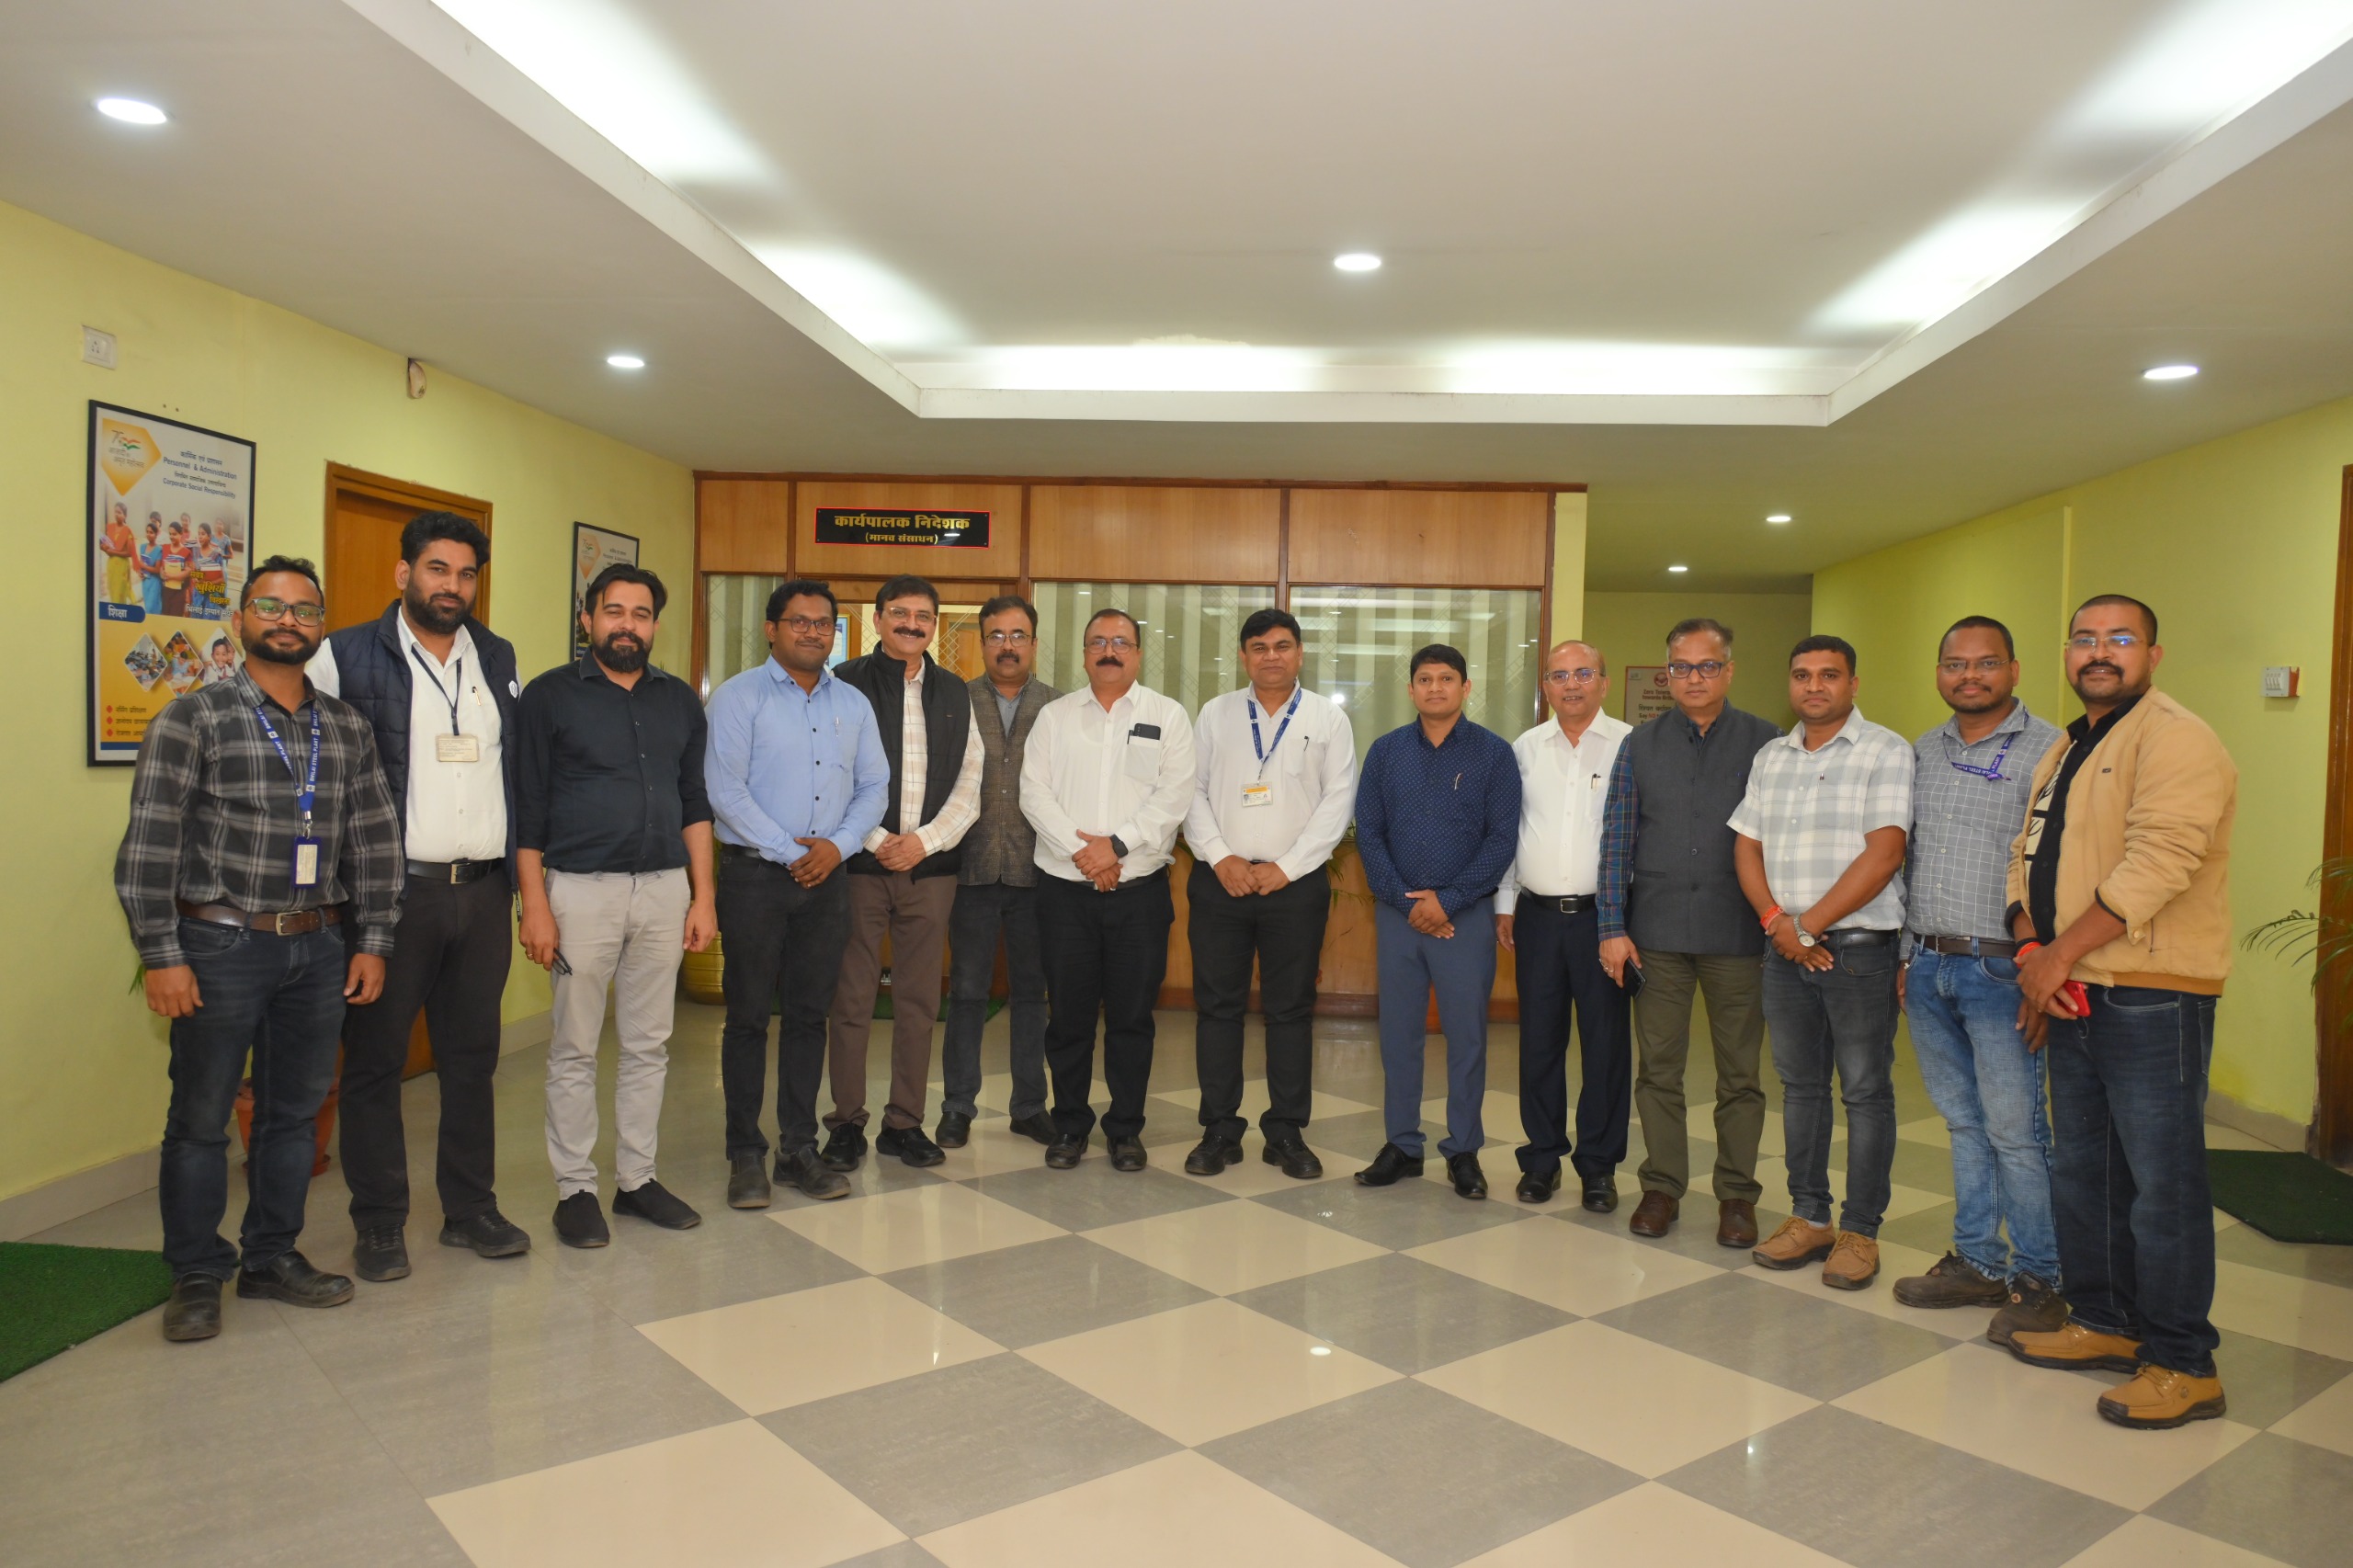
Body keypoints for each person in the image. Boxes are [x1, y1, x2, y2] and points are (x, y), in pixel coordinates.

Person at [115, 556, 403, 1342]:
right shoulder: (193, 719)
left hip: (318, 946)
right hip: (219, 945)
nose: (288, 621)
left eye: (305, 611)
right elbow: (149, 848)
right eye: (271, 607)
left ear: (321, 627)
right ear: (240, 618)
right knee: (202, 1118)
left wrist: (373, 940)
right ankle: (196, 1273)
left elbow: (374, 843)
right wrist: (162, 954)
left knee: (293, 1116)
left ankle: (271, 1257)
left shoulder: (346, 728)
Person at [2001, 596, 2238, 1430]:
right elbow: (2027, 857)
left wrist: (2057, 955)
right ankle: (2105, 1321)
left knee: (2161, 1187)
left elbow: (2160, 863)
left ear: (2153, 655)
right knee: (2088, 1173)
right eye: (2085, 639)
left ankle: (2183, 1362)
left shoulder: (2176, 738)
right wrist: (2033, 952)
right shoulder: (2069, 744)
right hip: (2074, 987)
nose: (2100, 652)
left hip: (2151, 993)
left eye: (2121, 639)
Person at [311, 511, 530, 1281]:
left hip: (482, 892)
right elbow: (316, 773)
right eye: (438, 569)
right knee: (375, 1063)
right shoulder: (343, 656)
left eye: (466, 574)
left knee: (471, 1060)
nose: (452, 586)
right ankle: (378, 1223)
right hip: (392, 895)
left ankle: (470, 1209)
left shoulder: (496, 656)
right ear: (404, 573)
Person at [517, 562, 716, 1246]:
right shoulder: (549, 697)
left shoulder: (679, 700)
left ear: (654, 625)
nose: (627, 625)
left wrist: (703, 897)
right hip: (580, 891)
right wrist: (535, 904)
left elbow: (695, 803)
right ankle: (574, 1190)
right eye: (613, 611)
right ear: (588, 619)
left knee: (648, 1045)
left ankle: (637, 1180)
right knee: (574, 1047)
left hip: (664, 889)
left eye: (640, 614)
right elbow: (527, 808)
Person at [1892, 617, 2064, 1327]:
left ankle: (2042, 1275)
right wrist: (1906, 956)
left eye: (1986, 663)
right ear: (1939, 673)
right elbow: (1908, 856)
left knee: (2016, 1130)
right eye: (1955, 664)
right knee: (1964, 1123)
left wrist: (2044, 970)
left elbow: (2059, 866)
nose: (1970, 676)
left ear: (2014, 670)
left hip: (2004, 969)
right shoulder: (1921, 751)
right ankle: (1978, 1261)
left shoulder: (2051, 749)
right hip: (1929, 962)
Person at [1732, 634, 1913, 1290]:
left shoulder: (1885, 751)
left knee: (1864, 1091)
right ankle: (1810, 1216)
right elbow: (1747, 847)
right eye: (1803, 674)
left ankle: (1860, 1231)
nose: (1815, 686)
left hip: (1856, 953)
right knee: (1801, 1088)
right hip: (1785, 952)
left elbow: (1884, 854)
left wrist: (1807, 926)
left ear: (1852, 684)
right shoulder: (1771, 756)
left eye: (1829, 675)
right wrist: (1777, 925)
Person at [1597, 619, 1781, 1245]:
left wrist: (1780, 922)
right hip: (1657, 934)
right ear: (1667, 674)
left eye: (1707, 666)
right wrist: (1611, 925)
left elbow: (1780, 840)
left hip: (1740, 932)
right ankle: (1661, 1186)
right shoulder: (1640, 744)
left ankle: (1737, 1196)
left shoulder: (1767, 742)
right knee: (1658, 1069)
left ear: (1729, 671)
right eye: (1681, 667)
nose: (1693, 677)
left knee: (1741, 1075)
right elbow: (1617, 839)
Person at [705, 580, 889, 1207]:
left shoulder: (853, 704)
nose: (812, 632)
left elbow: (874, 786)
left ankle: (797, 1150)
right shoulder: (738, 698)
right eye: (799, 621)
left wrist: (838, 847)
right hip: (755, 879)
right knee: (748, 1018)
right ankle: (744, 1154)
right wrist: (793, 852)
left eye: (822, 623)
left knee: (810, 1017)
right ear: (771, 629)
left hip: (828, 880)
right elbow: (725, 792)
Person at [1181, 608, 1358, 1179]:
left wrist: (1288, 866)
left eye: (1282, 646)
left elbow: (1338, 801)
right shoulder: (1216, 714)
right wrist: (1220, 856)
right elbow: (1190, 791)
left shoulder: (1327, 719)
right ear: (1243, 657)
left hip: (1295, 887)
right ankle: (1219, 1131)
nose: (1271, 656)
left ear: (1300, 654)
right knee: (1217, 1008)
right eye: (1259, 647)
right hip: (1221, 883)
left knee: (1290, 1011)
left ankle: (1285, 1133)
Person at [820, 576, 985, 1173]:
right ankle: (846, 1123)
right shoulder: (843, 685)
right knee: (852, 998)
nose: (912, 624)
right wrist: (876, 840)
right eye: (900, 613)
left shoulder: (956, 692)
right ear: (877, 620)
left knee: (918, 1001)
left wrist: (922, 844)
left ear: (934, 626)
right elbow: (830, 775)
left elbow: (971, 782)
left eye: (923, 616)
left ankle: (904, 1123)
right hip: (858, 866)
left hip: (931, 871)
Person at [1020, 608, 1196, 1171]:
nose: (1109, 651)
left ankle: (1125, 1130)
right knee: (1068, 1018)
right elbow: (1034, 794)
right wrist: (1086, 854)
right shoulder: (1054, 717)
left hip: (1139, 893)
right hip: (1064, 891)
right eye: (1098, 642)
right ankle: (1070, 1126)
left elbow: (1174, 797)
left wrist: (1115, 848)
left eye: (1121, 642)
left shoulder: (1167, 716)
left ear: (1138, 654)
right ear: (1084, 654)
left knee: (1131, 1019)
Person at [1352, 643, 1520, 1199]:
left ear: (1465, 687)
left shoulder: (1494, 754)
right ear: (1411, 690)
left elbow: (1502, 838)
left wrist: (1448, 901)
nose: (1435, 688)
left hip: (1464, 917)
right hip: (1398, 916)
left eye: (1446, 679)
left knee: (1466, 1037)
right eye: (1424, 679)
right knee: (1398, 1035)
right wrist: (1410, 904)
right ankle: (1402, 1145)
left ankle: (1463, 1150)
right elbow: (1369, 831)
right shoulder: (1386, 752)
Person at [1496, 640, 1632, 1209]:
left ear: (1603, 682)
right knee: (1540, 1043)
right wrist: (1505, 903)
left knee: (1605, 1047)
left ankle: (1598, 1167)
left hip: (1605, 921)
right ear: (1546, 687)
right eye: (1559, 675)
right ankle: (1541, 1159)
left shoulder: (1631, 745)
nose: (1571, 684)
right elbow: (1509, 830)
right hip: (1537, 919)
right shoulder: (1524, 749)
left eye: (1582, 673)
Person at [938, 595, 1061, 1149]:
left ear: (1034, 643)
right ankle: (957, 1105)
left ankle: (1029, 1106)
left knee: (1033, 994)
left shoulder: (1059, 709)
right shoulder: (954, 703)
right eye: (996, 636)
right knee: (966, 992)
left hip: (1041, 873)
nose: (1007, 646)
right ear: (982, 642)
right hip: (971, 870)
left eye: (1018, 636)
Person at [101, 501, 137, 604]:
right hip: (111, 565)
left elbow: (129, 553)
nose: (117, 514)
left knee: (121, 591)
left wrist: (114, 553)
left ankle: (123, 611)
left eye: (120, 512)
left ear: (125, 516)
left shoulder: (127, 530)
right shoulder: (110, 528)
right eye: (115, 512)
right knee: (113, 590)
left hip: (122, 567)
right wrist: (104, 549)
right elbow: (107, 547)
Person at [159, 520, 192, 618]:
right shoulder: (165, 548)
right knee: (165, 617)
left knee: (175, 618)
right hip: (166, 590)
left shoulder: (186, 552)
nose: (171, 536)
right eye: (170, 534)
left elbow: (188, 572)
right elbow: (161, 567)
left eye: (174, 534)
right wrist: (162, 573)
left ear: (181, 534)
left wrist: (171, 576)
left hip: (179, 592)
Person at [137, 516, 166, 615]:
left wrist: (143, 566)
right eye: (147, 532)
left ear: (156, 534)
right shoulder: (142, 547)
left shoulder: (159, 549)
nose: (149, 534)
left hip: (155, 582)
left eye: (151, 532)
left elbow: (157, 570)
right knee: (147, 607)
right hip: (145, 582)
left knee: (152, 608)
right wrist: (140, 572)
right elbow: (141, 564)